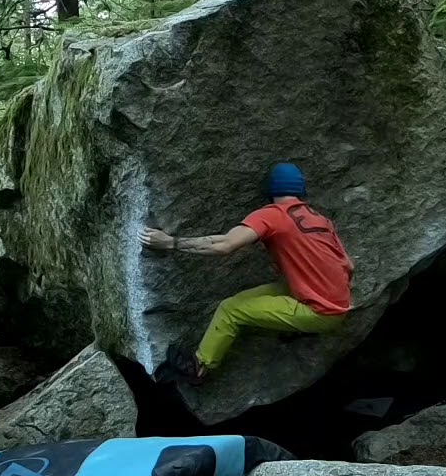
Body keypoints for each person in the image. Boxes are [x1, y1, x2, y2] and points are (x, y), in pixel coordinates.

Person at [138, 162, 353, 384]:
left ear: (271, 191)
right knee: (241, 300)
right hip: (337, 302)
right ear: (301, 191)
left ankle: (199, 368)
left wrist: (171, 242)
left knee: (231, 311)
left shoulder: (273, 215)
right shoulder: (320, 219)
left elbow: (225, 245)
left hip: (320, 311)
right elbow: (349, 265)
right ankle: (301, 326)